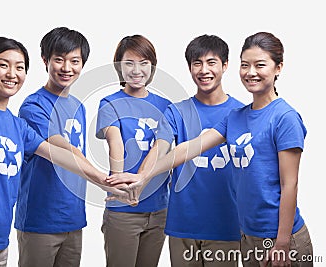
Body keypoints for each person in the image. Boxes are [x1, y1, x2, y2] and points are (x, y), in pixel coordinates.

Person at [110, 32, 313, 267]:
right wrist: (142, 176)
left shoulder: (285, 117)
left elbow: (291, 184)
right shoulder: (236, 117)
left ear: (278, 68)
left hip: (278, 237)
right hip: (248, 234)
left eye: (260, 65)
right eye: (245, 65)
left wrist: (282, 242)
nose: (251, 72)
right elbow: (188, 149)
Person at [0, 36, 127, 267]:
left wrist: (106, 181)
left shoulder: (18, 125)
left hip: (1, 242)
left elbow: (58, 155)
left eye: (19, 67)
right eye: (3, 65)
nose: (12, 74)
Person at [109, 34, 244, 266]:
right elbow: (160, 148)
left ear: (225, 65)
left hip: (226, 224)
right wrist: (141, 178)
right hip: (183, 225)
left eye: (211, 62)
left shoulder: (241, 114)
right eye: (196, 63)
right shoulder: (176, 112)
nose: (204, 70)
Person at [14, 26, 92, 267]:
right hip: (40, 220)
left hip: (73, 219)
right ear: (45, 60)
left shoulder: (79, 106)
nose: (66, 68)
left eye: (74, 61)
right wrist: (105, 180)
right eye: (59, 60)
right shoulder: (33, 106)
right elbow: (64, 148)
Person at [95, 34, 172, 267]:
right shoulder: (109, 103)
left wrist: (142, 179)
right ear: (119, 66)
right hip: (123, 210)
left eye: (144, 63)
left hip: (159, 209)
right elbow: (115, 143)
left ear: (152, 66)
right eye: (129, 63)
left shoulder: (166, 106)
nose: (136, 70)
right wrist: (120, 186)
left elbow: (161, 148)